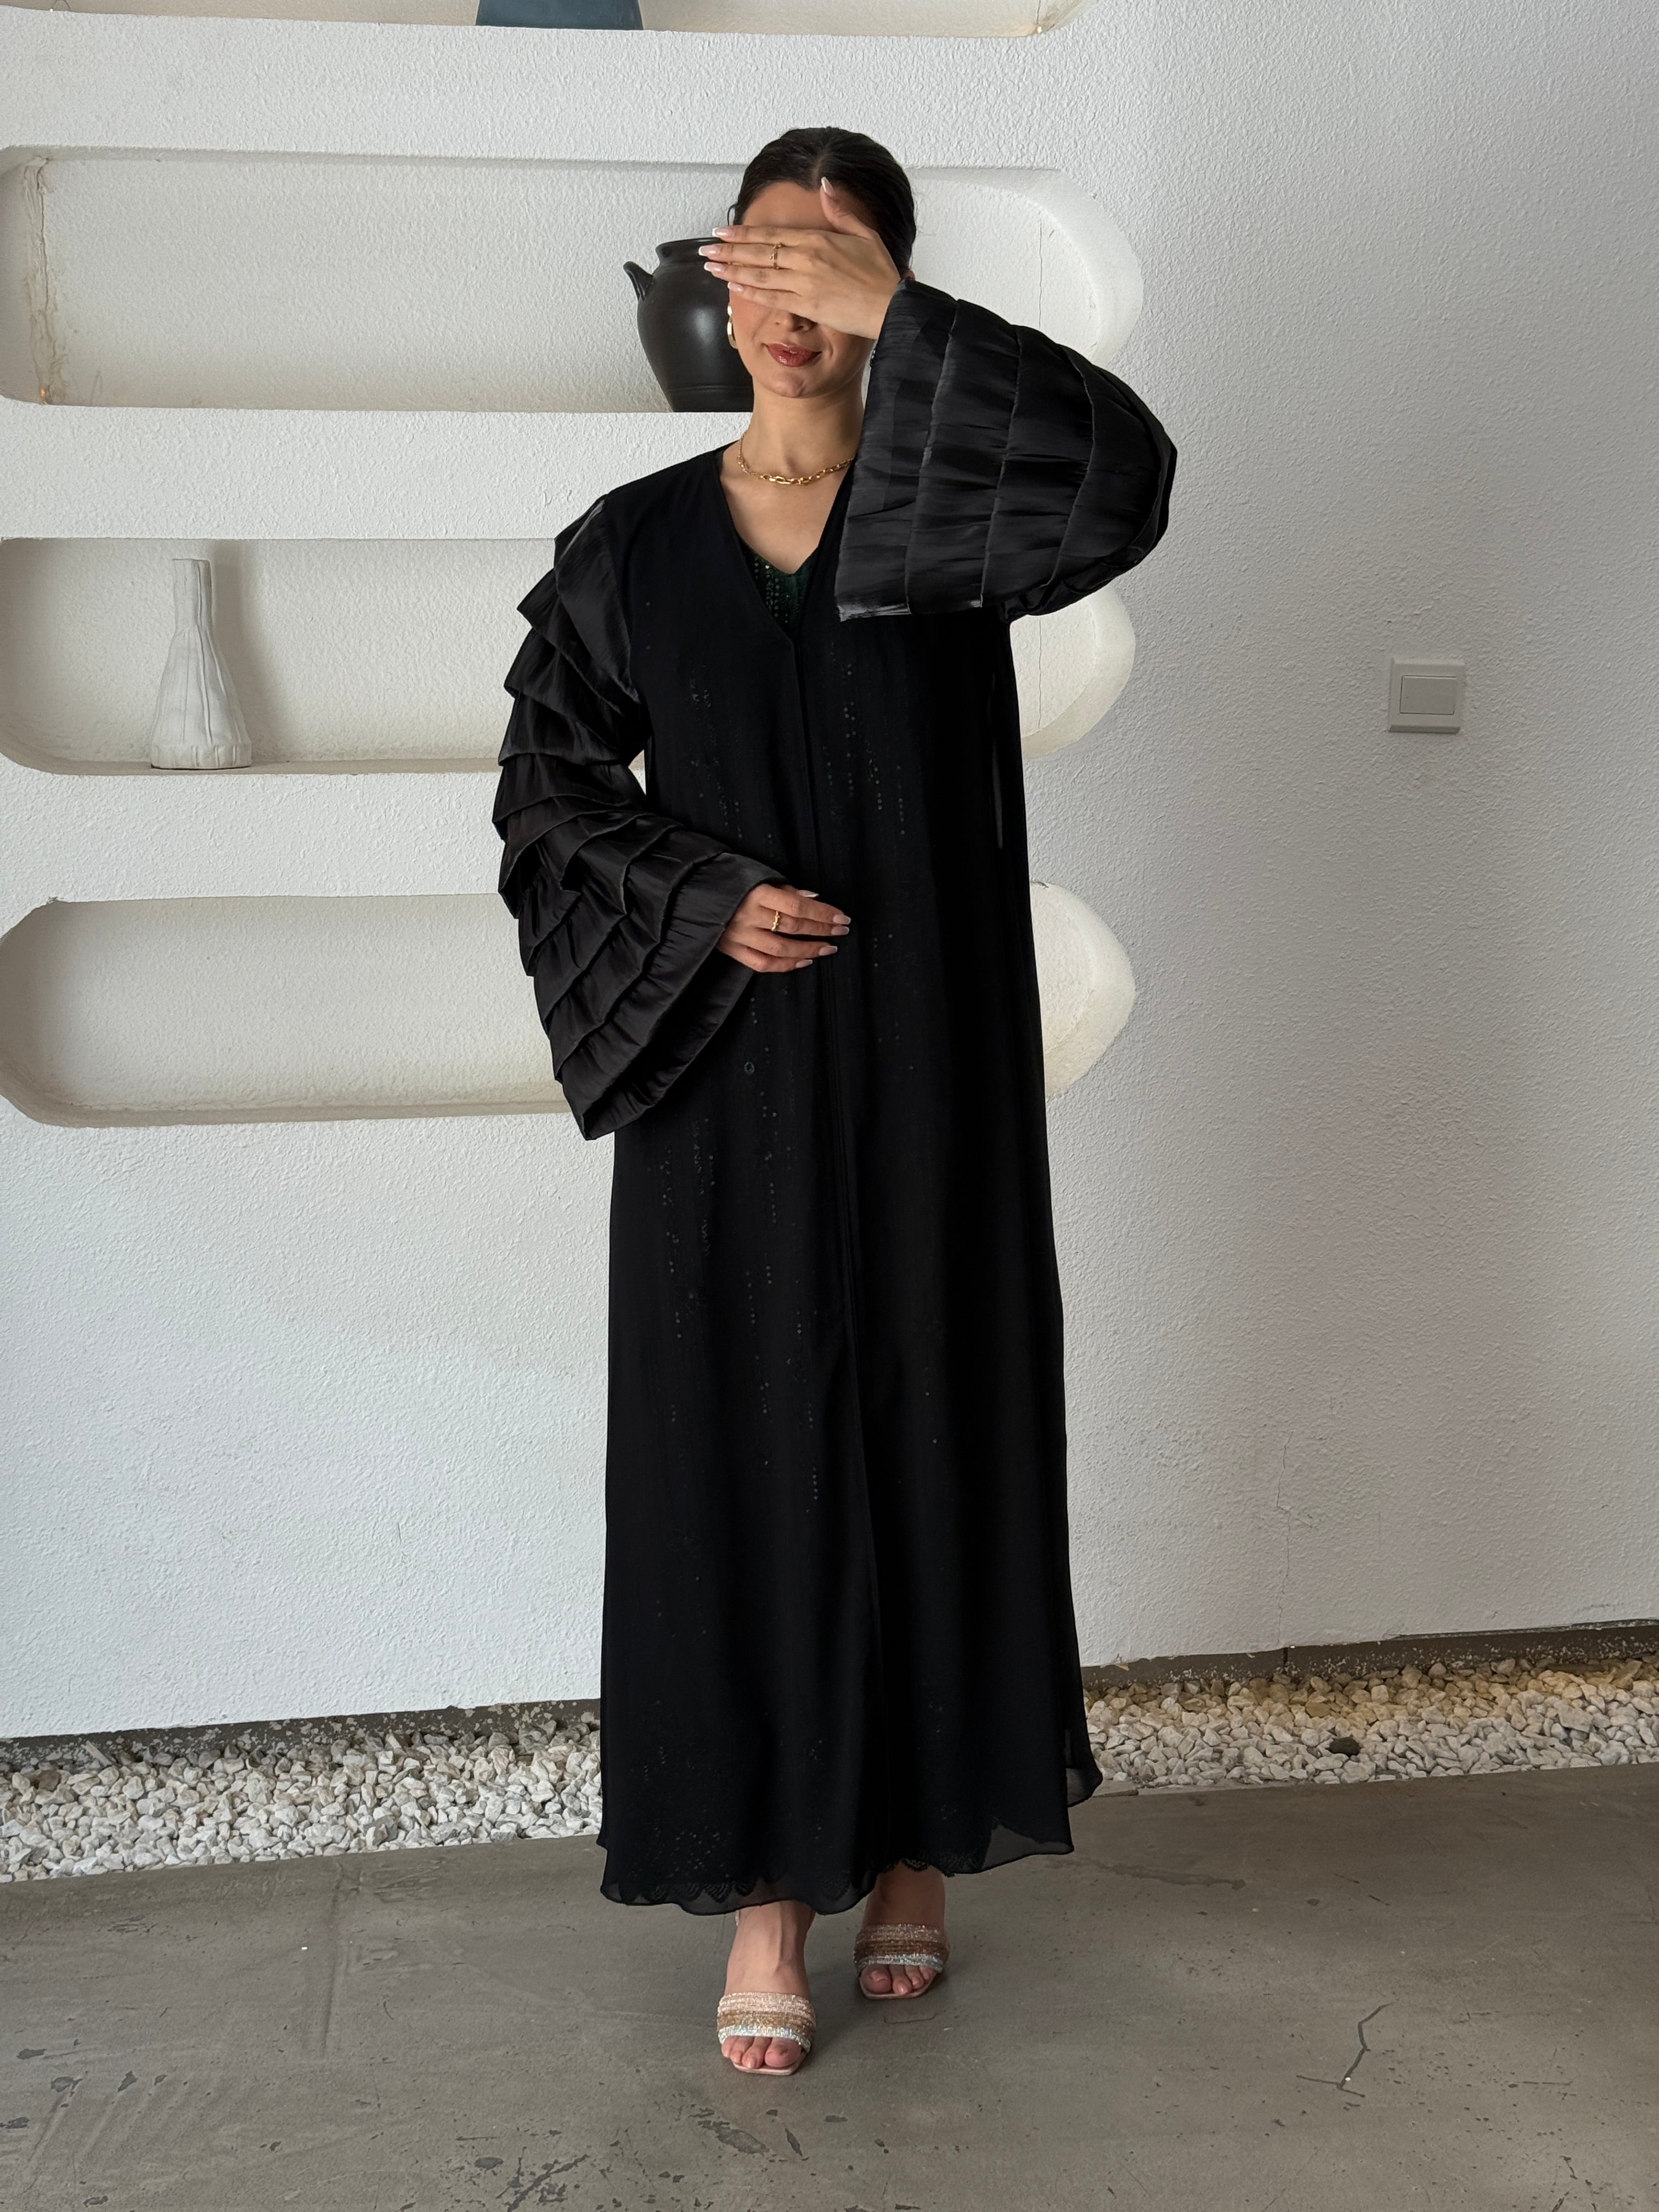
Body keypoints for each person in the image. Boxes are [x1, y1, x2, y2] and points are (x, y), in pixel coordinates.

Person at [492, 125, 1176, 2077]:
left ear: (884, 287)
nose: (788, 288)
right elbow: (547, 795)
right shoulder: (634, 544)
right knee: (738, 1451)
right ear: (714, 282)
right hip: (725, 1076)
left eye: (834, 255)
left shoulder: (961, 515)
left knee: (938, 1422)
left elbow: (1130, 482)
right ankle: (769, 1896)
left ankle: (918, 1864)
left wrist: (909, 315)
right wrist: (698, 898)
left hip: (934, 1058)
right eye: (762, 251)